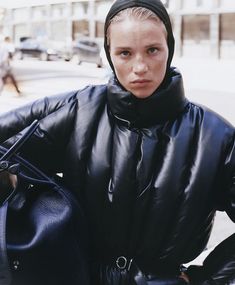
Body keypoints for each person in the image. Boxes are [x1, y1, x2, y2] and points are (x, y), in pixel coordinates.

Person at [0, 0, 234, 284]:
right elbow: (7, 146)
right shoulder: (79, 110)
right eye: (125, 53)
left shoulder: (216, 136)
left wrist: (207, 278)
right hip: (76, 275)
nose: (140, 67)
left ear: (169, 48)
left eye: (152, 50)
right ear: (109, 55)